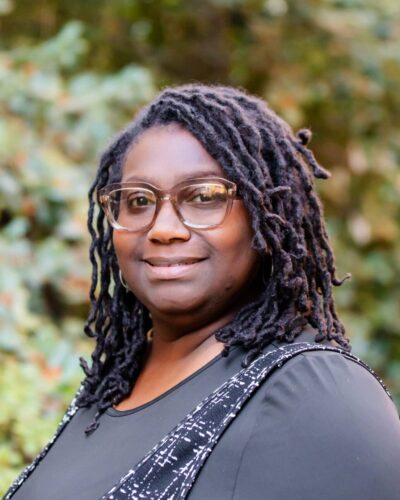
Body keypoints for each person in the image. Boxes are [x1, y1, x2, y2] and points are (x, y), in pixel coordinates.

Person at [5, 84, 400, 500]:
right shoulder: (108, 391)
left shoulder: (315, 394)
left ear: (267, 216)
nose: (163, 229)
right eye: (139, 200)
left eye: (203, 197)